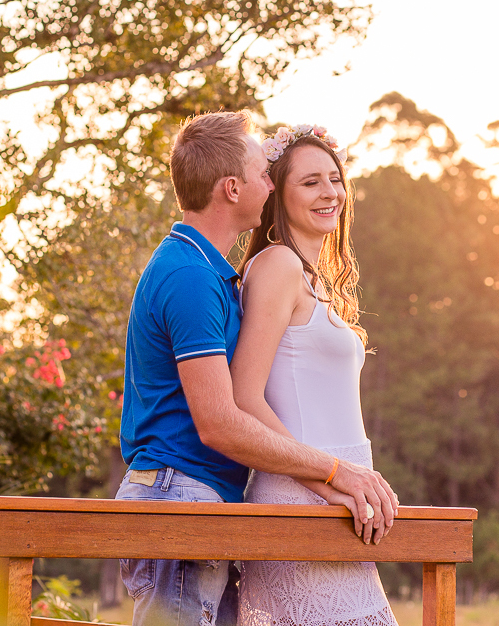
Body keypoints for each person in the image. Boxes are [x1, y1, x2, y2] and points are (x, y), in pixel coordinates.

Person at [116, 112, 398, 626]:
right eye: (263, 173)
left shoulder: (211, 274)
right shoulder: (190, 277)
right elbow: (222, 417)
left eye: (333, 179)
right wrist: (335, 474)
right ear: (231, 188)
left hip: (209, 492)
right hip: (179, 491)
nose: (268, 181)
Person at [231, 124, 399, 626]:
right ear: (277, 194)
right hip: (305, 488)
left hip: (343, 494)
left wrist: (345, 486)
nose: (330, 192)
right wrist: (326, 481)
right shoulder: (278, 265)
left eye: (334, 179)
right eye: (310, 182)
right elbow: (243, 395)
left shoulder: (312, 277)